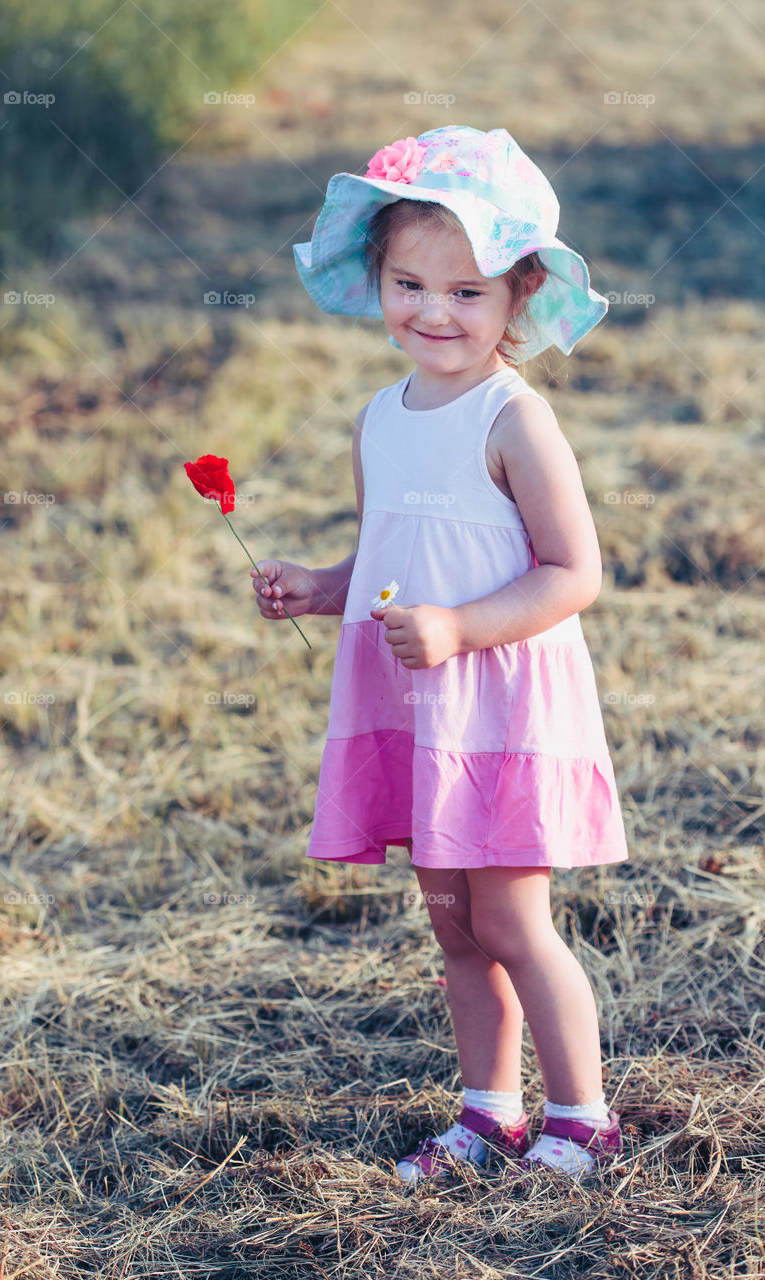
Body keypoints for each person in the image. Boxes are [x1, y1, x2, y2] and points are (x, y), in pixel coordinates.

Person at [250, 126, 628, 1184]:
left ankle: (581, 1117)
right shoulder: (381, 417)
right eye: (410, 283)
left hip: (500, 703)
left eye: (467, 292)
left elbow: (572, 571)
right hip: (419, 711)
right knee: (454, 921)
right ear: (376, 278)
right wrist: (319, 589)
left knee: (510, 914)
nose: (433, 312)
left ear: (517, 297)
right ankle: (487, 1111)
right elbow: (382, 565)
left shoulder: (515, 417)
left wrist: (461, 627)